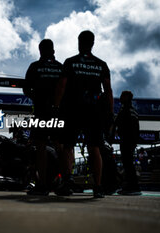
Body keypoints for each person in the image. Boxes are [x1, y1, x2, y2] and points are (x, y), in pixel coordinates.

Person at [54, 30, 113, 198]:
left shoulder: (70, 62)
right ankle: (98, 187)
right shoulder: (101, 64)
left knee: (68, 146)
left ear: (79, 42)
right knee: (94, 147)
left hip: (72, 109)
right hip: (94, 110)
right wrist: (110, 113)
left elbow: (62, 85)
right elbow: (108, 90)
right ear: (93, 43)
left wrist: (56, 108)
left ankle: (67, 183)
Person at [23, 39, 63, 195]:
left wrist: (37, 98)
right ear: (53, 50)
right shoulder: (61, 67)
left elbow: (26, 89)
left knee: (40, 147)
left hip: (41, 112)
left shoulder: (35, 66)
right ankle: (64, 182)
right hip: (57, 112)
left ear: (40, 50)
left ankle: (42, 185)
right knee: (60, 146)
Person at [114, 91, 141, 195]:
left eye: (122, 96)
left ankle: (132, 187)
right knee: (128, 163)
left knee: (127, 164)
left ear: (126, 97)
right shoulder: (133, 110)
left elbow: (118, 123)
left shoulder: (125, 110)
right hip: (131, 140)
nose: (120, 98)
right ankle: (133, 186)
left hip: (127, 140)